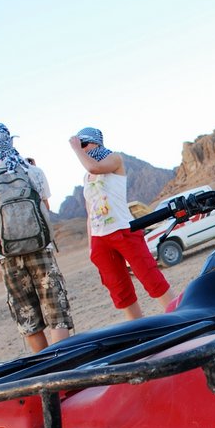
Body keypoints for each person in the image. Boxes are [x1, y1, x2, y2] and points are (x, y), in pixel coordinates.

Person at [0, 122, 73, 353]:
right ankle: (66, 365)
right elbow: (45, 209)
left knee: (28, 315)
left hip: (8, 257)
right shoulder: (32, 171)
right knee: (57, 311)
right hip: (41, 249)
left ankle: (45, 373)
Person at [69, 127, 175, 320]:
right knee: (120, 289)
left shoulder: (114, 160)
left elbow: (95, 167)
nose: (82, 149)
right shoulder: (87, 176)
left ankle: (180, 317)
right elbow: (89, 212)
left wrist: (75, 149)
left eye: (84, 144)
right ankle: (138, 331)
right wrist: (92, 245)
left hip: (123, 229)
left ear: (96, 142)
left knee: (150, 276)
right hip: (100, 237)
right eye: (80, 145)